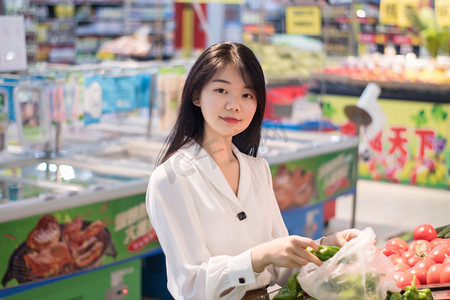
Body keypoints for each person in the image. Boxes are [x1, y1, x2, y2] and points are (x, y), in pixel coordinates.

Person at [146, 41, 360, 300]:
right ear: (196, 95)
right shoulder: (171, 180)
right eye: (221, 90)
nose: (234, 105)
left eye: (247, 95)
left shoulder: (258, 170)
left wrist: (328, 245)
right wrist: (258, 257)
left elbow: (282, 270)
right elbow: (192, 286)